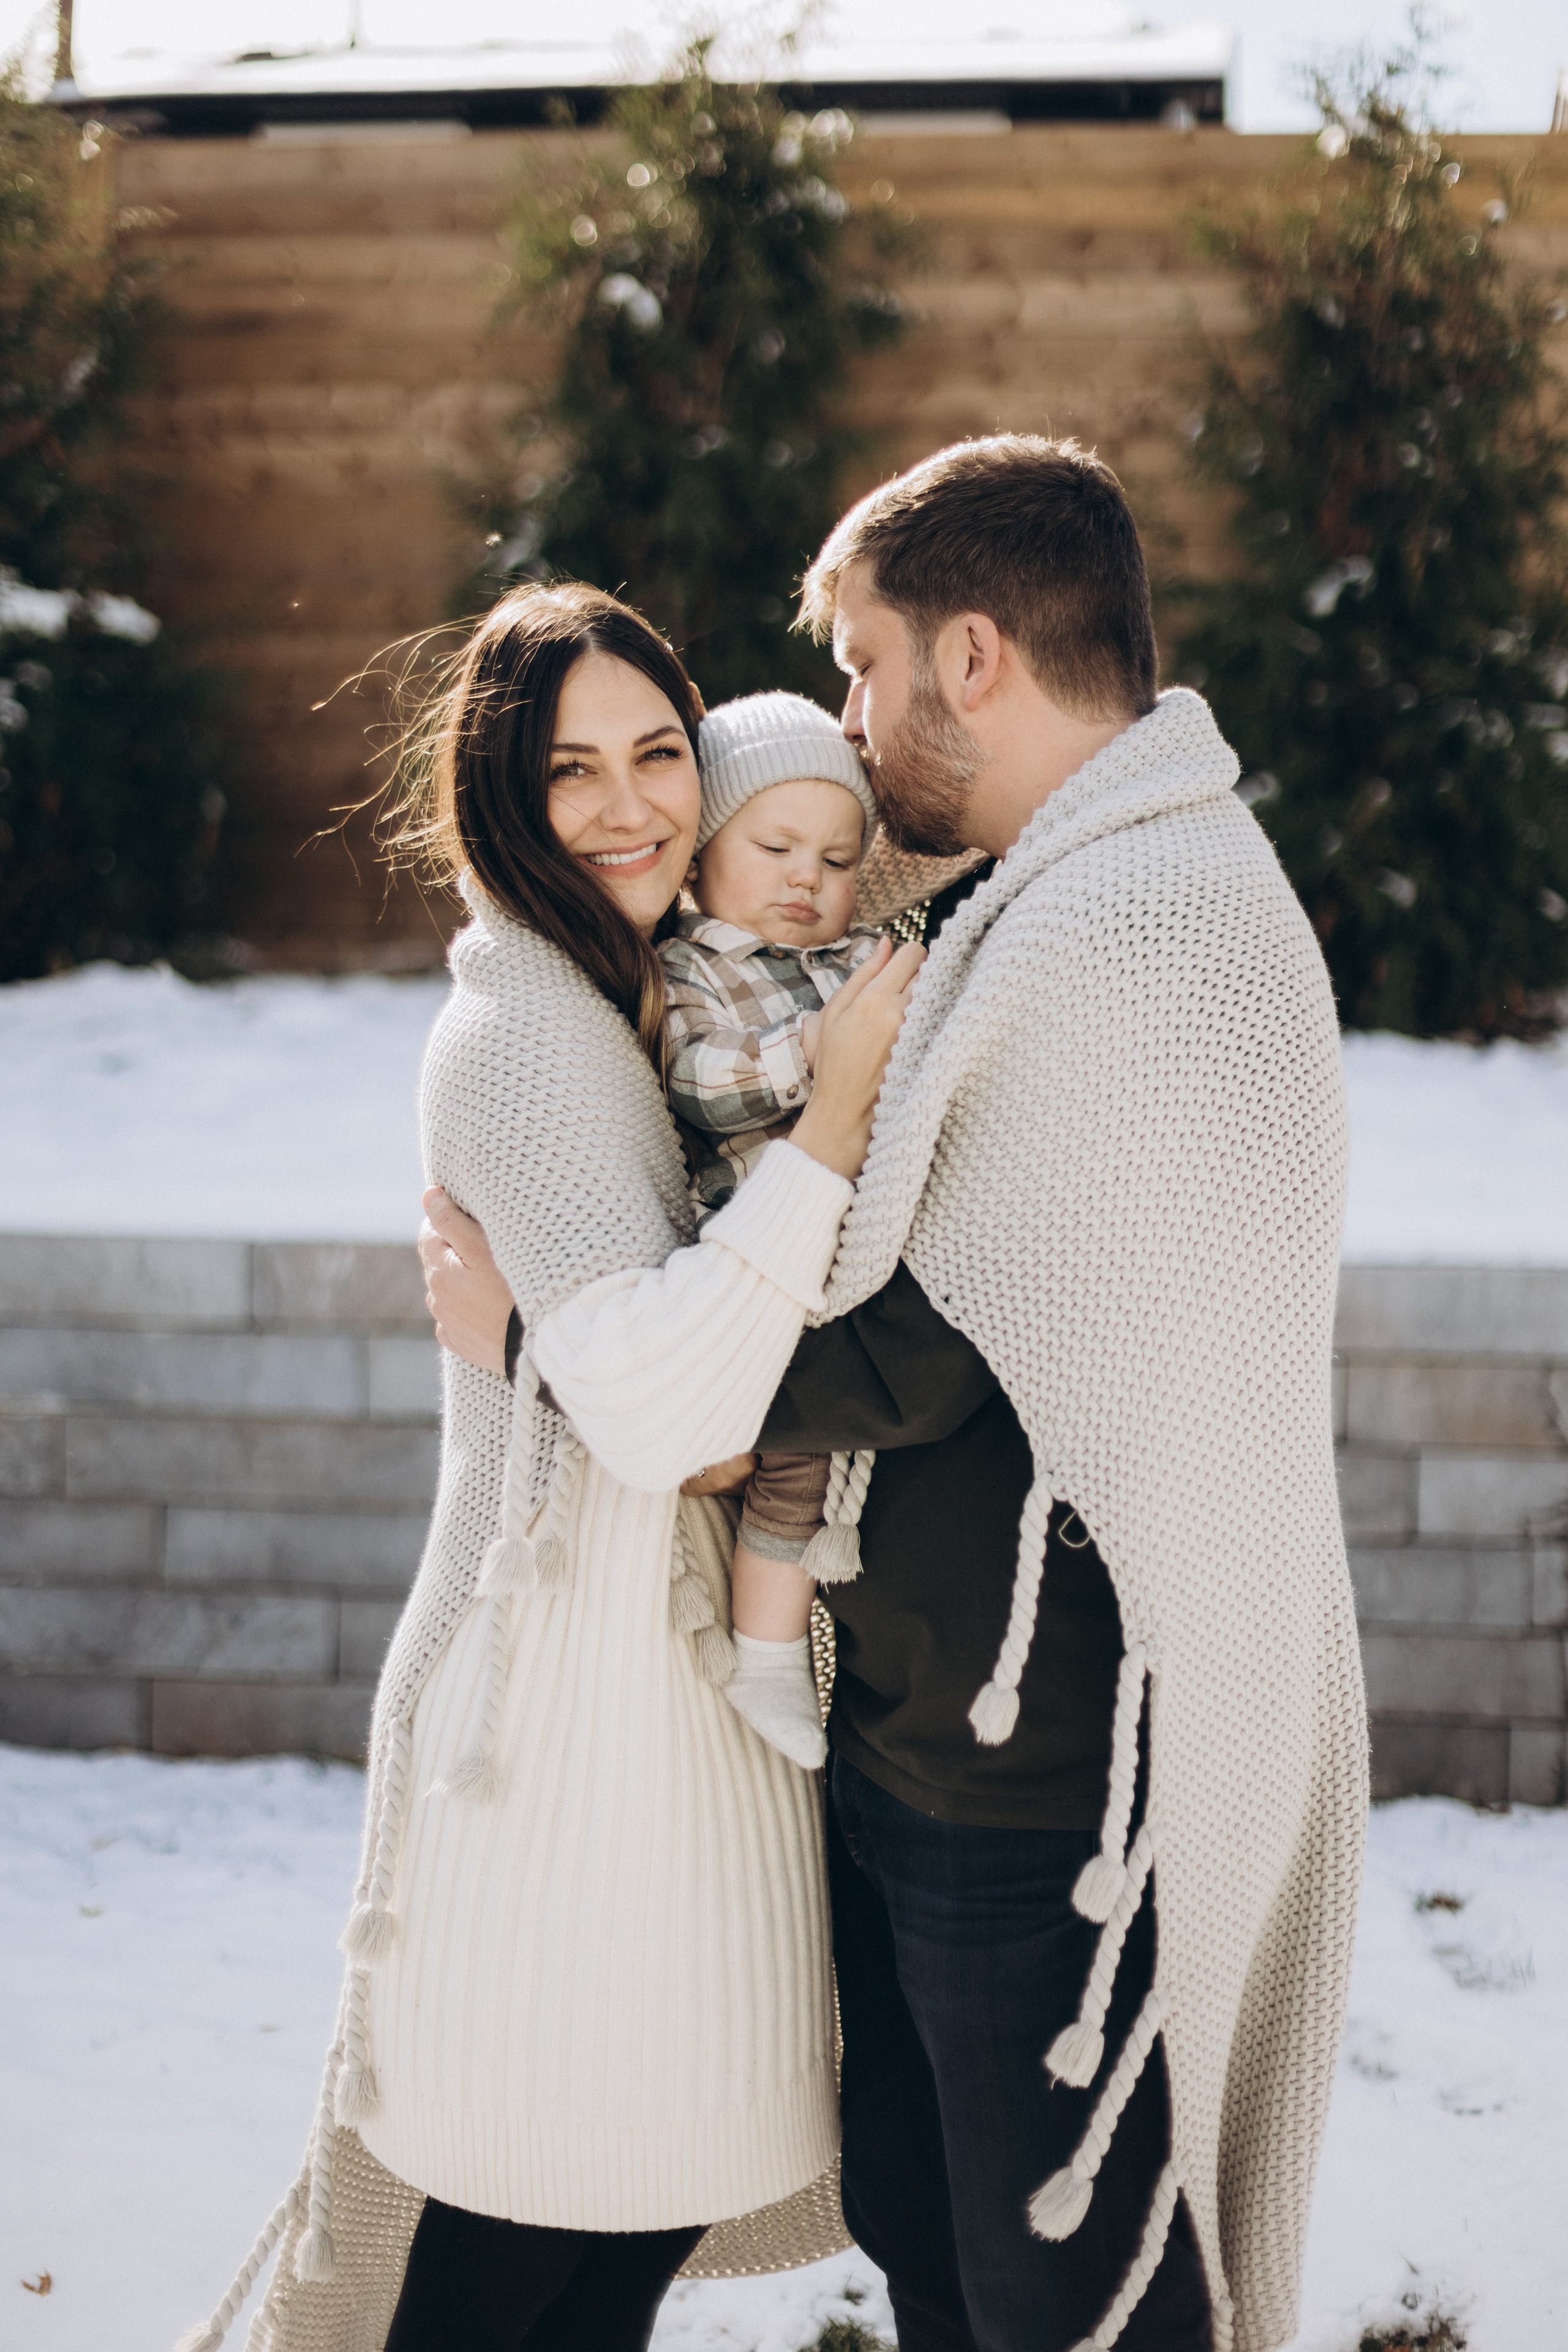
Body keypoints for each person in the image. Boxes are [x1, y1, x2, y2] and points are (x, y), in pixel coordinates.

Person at [424, 435, 1368, 2352]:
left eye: (860, 667)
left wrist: (573, 1362)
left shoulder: (1129, 924)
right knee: (938, 2247)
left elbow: (929, 1340)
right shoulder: (1052, 887)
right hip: (933, 1719)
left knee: (1066, 2294)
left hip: (1040, 1778)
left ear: (971, 657)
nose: (844, 732)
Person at [173, 582, 925, 2352]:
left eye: (658, 753)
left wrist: (555, 1349)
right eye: (567, 768)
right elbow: (676, 1419)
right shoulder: (528, 1039)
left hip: (678, 1737)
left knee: (616, 2257)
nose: (627, 805)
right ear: (496, 798)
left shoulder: (659, 999)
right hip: (568, 1760)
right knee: (513, 2265)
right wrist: (829, 1121)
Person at [662, 689, 886, 1773]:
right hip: (762, 1267)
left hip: (867, 1268)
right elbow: (700, 1085)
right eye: (777, 846)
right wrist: (820, 1058)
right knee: (794, 1459)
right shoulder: (692, 967)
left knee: (845, 1456)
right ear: (703, 855)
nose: (809, 877)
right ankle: (767, 1652)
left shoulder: (860, 961)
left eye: (839, 860)